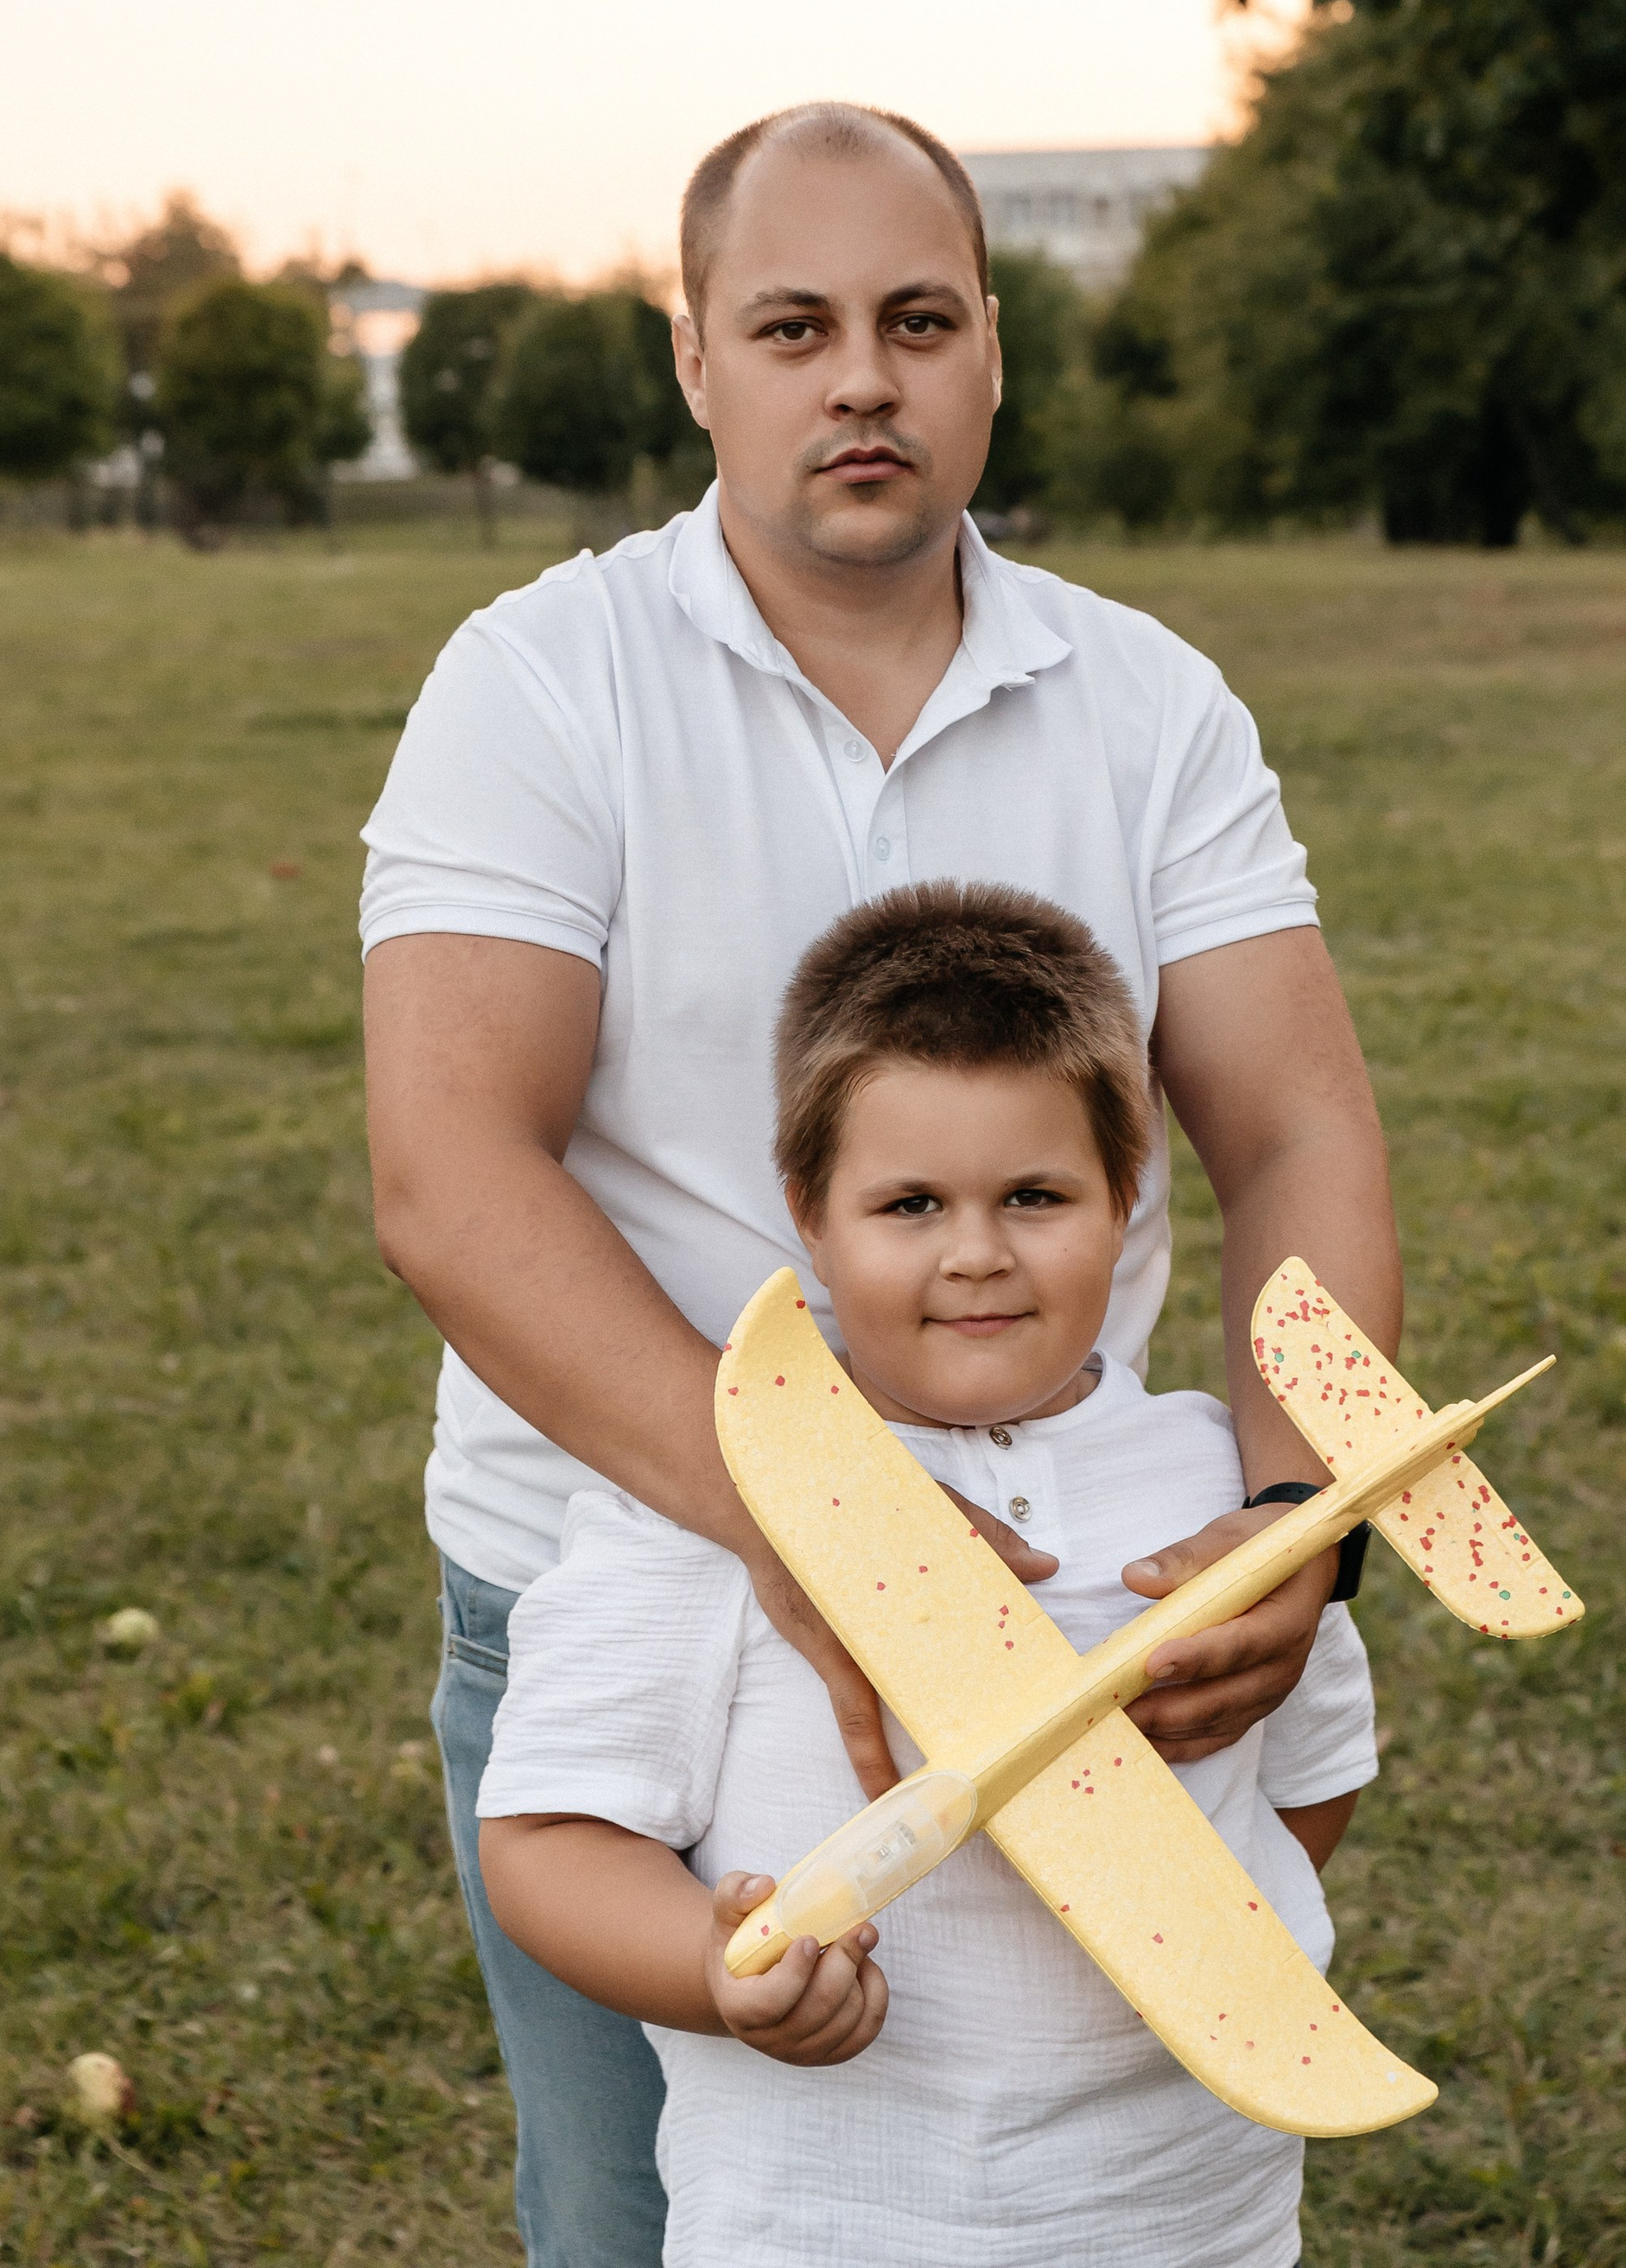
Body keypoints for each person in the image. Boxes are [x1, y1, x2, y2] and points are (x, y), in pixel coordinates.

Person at [360, 100, 1401, 2266]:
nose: (862, 378)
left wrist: (1297, 1513)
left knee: (1107, 2166)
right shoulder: (540, 682)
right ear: (695, 363)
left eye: (918, 322)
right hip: (629, 1576)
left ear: (991, 355)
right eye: (796, 325)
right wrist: (825, 1541)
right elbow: (452, 1173)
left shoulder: (1148, 699)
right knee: (651, 2215)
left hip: (1072, 1588)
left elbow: (1292, 1123)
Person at [474, 884, 1377, 2268]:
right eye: (908, 1204)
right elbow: (546, 1844)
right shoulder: (713, 1506)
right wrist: (717, 1976)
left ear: (1124, 1195)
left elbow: (1308, 1786)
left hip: (1191, 2215)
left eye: (1034, 1195)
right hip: (826, 2220)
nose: (976, 1253)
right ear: (809, 1217)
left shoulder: (1225, 1494)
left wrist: (1163, 1946)